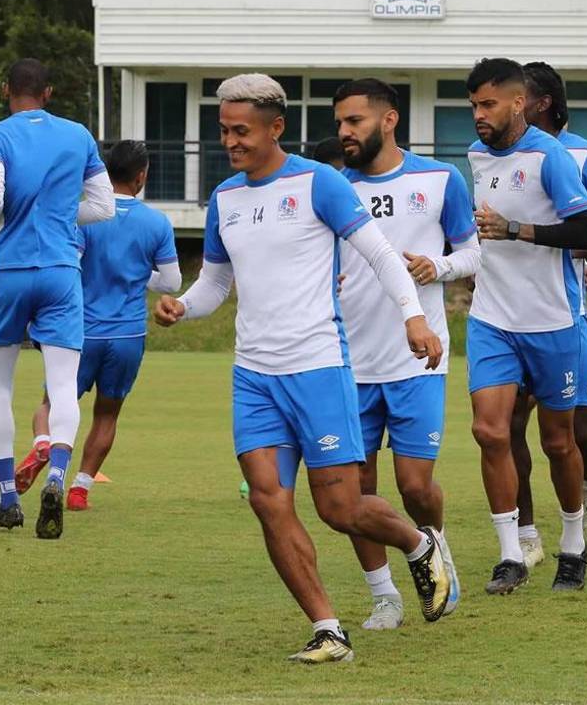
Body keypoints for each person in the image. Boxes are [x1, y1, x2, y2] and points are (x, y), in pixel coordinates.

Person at [155, 73, 449, 663]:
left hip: (317, 367)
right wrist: (184, 306)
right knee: (268, 500)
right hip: (253, 376)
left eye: (242, 131)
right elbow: (216, 281)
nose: (231, 142)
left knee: (340, 508)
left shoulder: (321, 184)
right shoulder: (225, 200)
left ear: (275, 127)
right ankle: (327, 629)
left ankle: (420, 545)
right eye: (224, 131)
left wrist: (414, 317)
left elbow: (383, 256)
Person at [333, 78, 479, 630]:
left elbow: (473, 252)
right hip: (347, 364)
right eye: (340, 123)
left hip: (419, 359)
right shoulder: (330, 187)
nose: (345, 132)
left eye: (355, 121)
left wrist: (437, 267)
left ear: (388, 120)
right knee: (356, 493)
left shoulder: (440, 179)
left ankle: (434, 553)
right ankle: (384, 597)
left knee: (415, 485)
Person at [465, 57, 587, 594]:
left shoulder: (552, 156)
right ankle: (511, 554)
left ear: (518, 103)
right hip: (492, 318)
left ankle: (572, 544)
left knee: (558, 443)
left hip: (552, 320)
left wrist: (515, 229)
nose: (478, 114)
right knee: (489, 431)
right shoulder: (475, 156)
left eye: (488, 104)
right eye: (473, 104)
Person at [0, 59, 115, 538]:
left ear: (4, 89)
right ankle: (57, 474)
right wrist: (57, 214)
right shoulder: (78, 135)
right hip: (60, 270)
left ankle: (8, 498)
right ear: (49, 92)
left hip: (7, 272)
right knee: (62, 385)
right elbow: (103, 206)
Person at [16, 141, 181, 510]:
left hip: (80, 329)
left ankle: (43, 445)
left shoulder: (83, 217)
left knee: (52, 401)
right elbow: (171, 283)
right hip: (127, 334)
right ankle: (79, 489)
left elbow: (68, 266)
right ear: (141, 177)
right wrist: (139, 276)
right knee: (107, 413)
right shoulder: (157, 222)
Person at [511, 62, 587, 565]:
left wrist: (579, 260)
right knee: (509, 425)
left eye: (522, 98)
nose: (510, 106)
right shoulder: (495, 157)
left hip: (566, 311)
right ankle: (526, 534)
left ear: (543, 103)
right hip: (509, 313)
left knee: (579, 432)